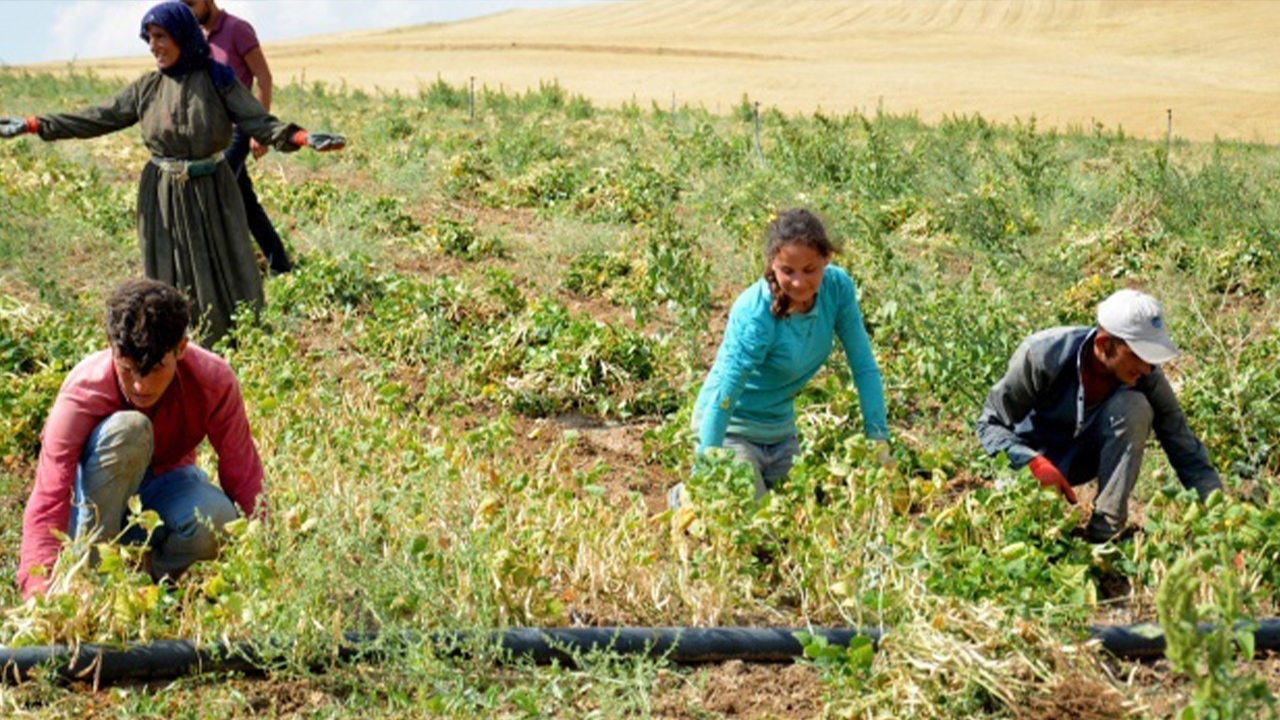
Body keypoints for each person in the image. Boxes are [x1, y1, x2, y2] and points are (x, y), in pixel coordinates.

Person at [0, 2, 343, 345]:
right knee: (167, 267)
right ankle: (172, 342)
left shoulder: (218, 79)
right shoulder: (147, 88)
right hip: (162, 193)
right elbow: (97, 117)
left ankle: (233, 339)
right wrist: (35, 124)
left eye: (160, 36)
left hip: (212, 189)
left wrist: (302, 138)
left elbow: (259, 121)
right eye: (148, 38)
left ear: (182, 34)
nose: (154, 46)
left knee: (225, 260)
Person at [17, 280, 265, 600]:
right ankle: (89, 583)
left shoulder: (213, 381)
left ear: (181, 348)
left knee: (218, 521)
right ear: (111, 345)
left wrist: (265, 560)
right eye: (129, 369)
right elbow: (49, 496)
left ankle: (147, 585)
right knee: (130, 430)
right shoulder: (83, 392)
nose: (140, 385)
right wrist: (37, 594)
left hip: (165, 492)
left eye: (156, 369)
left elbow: (243, 474)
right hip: (92, 506)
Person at [669, 208, 891, 508]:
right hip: (730, 429)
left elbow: (863, 367)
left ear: (826, 258)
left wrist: (878, 439)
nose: (799, 283)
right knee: (760, 528)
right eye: (787, 271)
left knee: (801, 517)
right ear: (772, 265)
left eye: (809, 270)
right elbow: (726, 392)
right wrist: (706, 463)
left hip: (781, 433)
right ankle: (683, 496)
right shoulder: (755, 312)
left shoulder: (837, 290)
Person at [976, 288, 1222, 541]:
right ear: (1104, 345)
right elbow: (990, 425)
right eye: (1139, 354)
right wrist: (1033, 463)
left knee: (1134, 407)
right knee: (1023, 534)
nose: (1148, 368)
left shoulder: (1147, 377)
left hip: (1082, 459)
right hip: (1030, 463)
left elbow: (1184, 447)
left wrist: (1222, 518)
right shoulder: (1042, 356)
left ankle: (1105, 534)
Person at [183, 0, 292, 275]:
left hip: (238, 130)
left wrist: (260, 129)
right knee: (245, 202)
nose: (188, 11)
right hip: (212, 133)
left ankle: (224, 271)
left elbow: (264, 78)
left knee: (213, 194)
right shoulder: (195, 35)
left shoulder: (237, 29)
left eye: (191, 3)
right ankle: (280, 266)